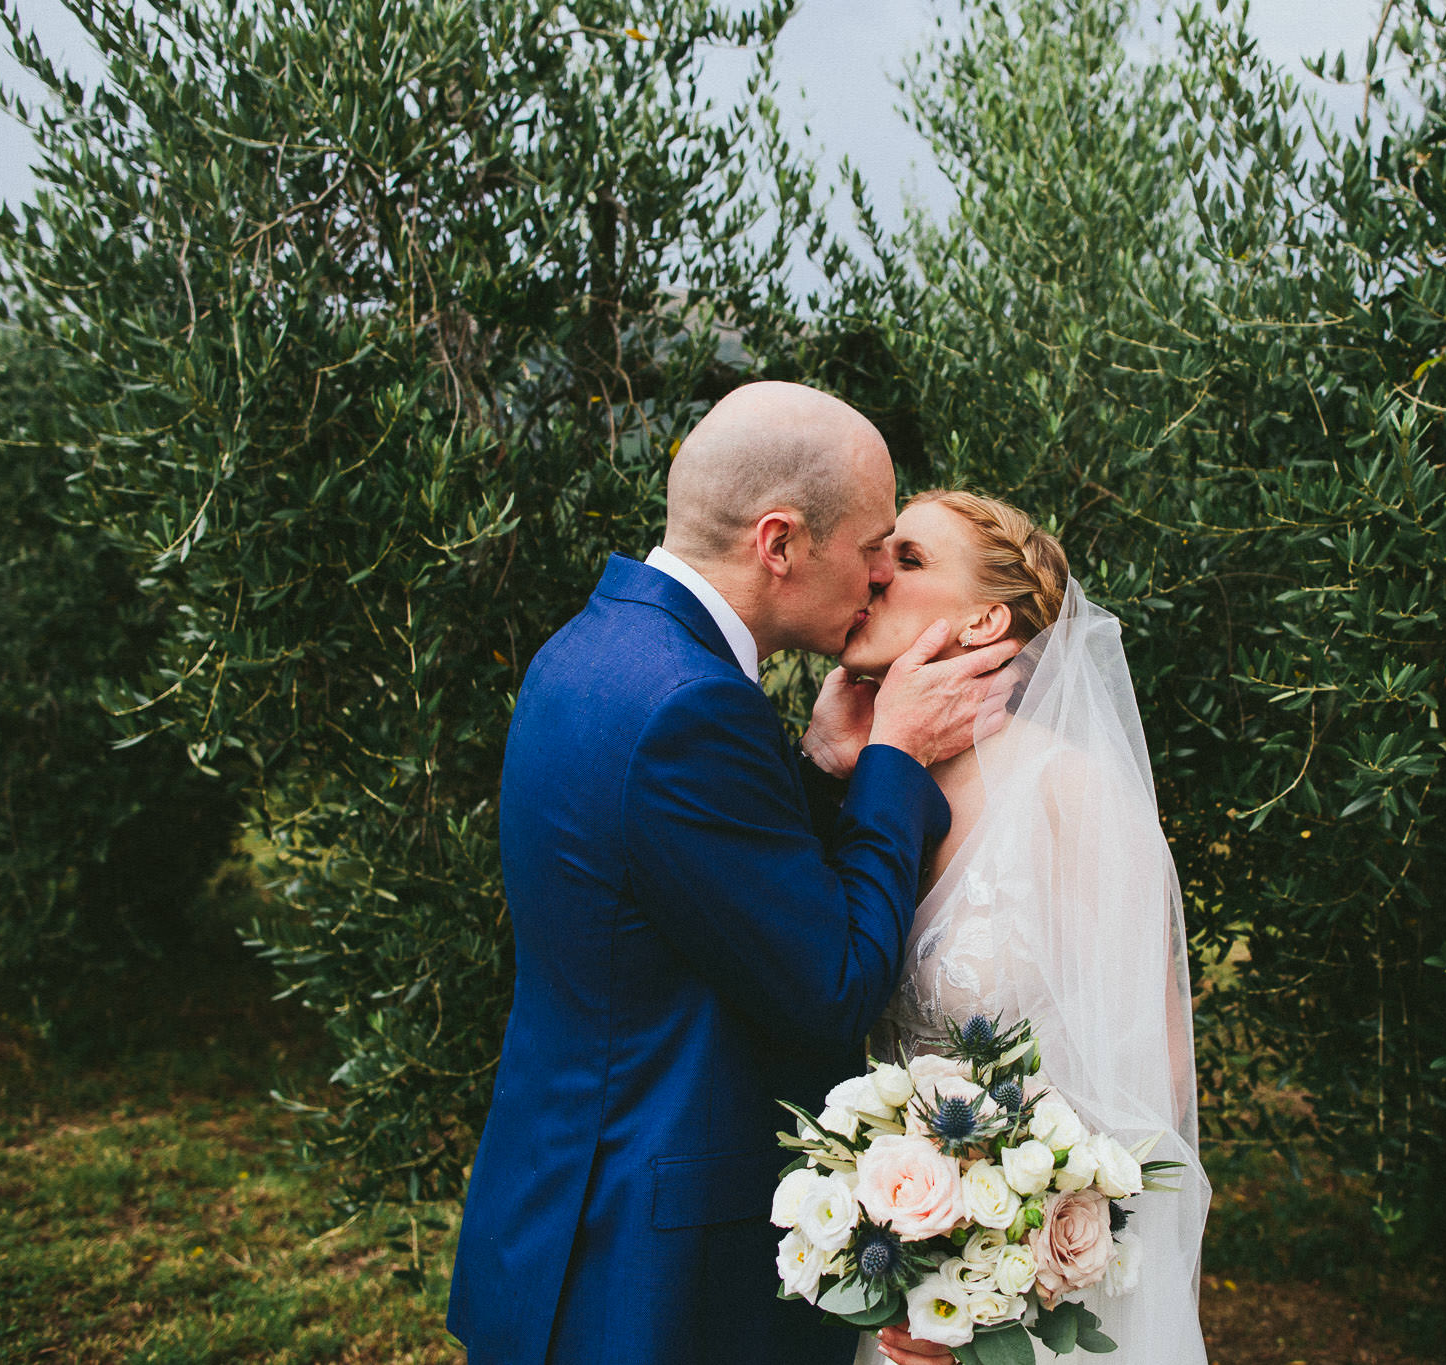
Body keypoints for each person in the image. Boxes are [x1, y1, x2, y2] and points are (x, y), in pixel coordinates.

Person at [446, 384, 1022, 1365]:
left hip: (555, 1208)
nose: (880, 573)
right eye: (871, 545)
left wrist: (821, 769)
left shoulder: (589, 650)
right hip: (649, 1272)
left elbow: (691, 890)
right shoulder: (689, 708)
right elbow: (829, 988)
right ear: (779, 543)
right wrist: (893, 757)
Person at [838, 491, 1212, 1365]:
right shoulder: (873, 791)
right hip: (897, 1298)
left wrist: (993, 1289)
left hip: (1031, 1311)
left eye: (911, 557)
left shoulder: (1069, 793)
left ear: (985, 621)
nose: (876, 570)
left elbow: (1151, 1091)